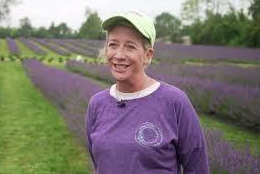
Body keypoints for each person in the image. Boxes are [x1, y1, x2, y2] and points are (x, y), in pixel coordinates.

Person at [85, 11, 209, 174]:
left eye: (130, 47)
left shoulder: (174, 102)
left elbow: (197, 167)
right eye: (113, 44)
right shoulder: (97, 104)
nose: (119, 55)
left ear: (148, 55)